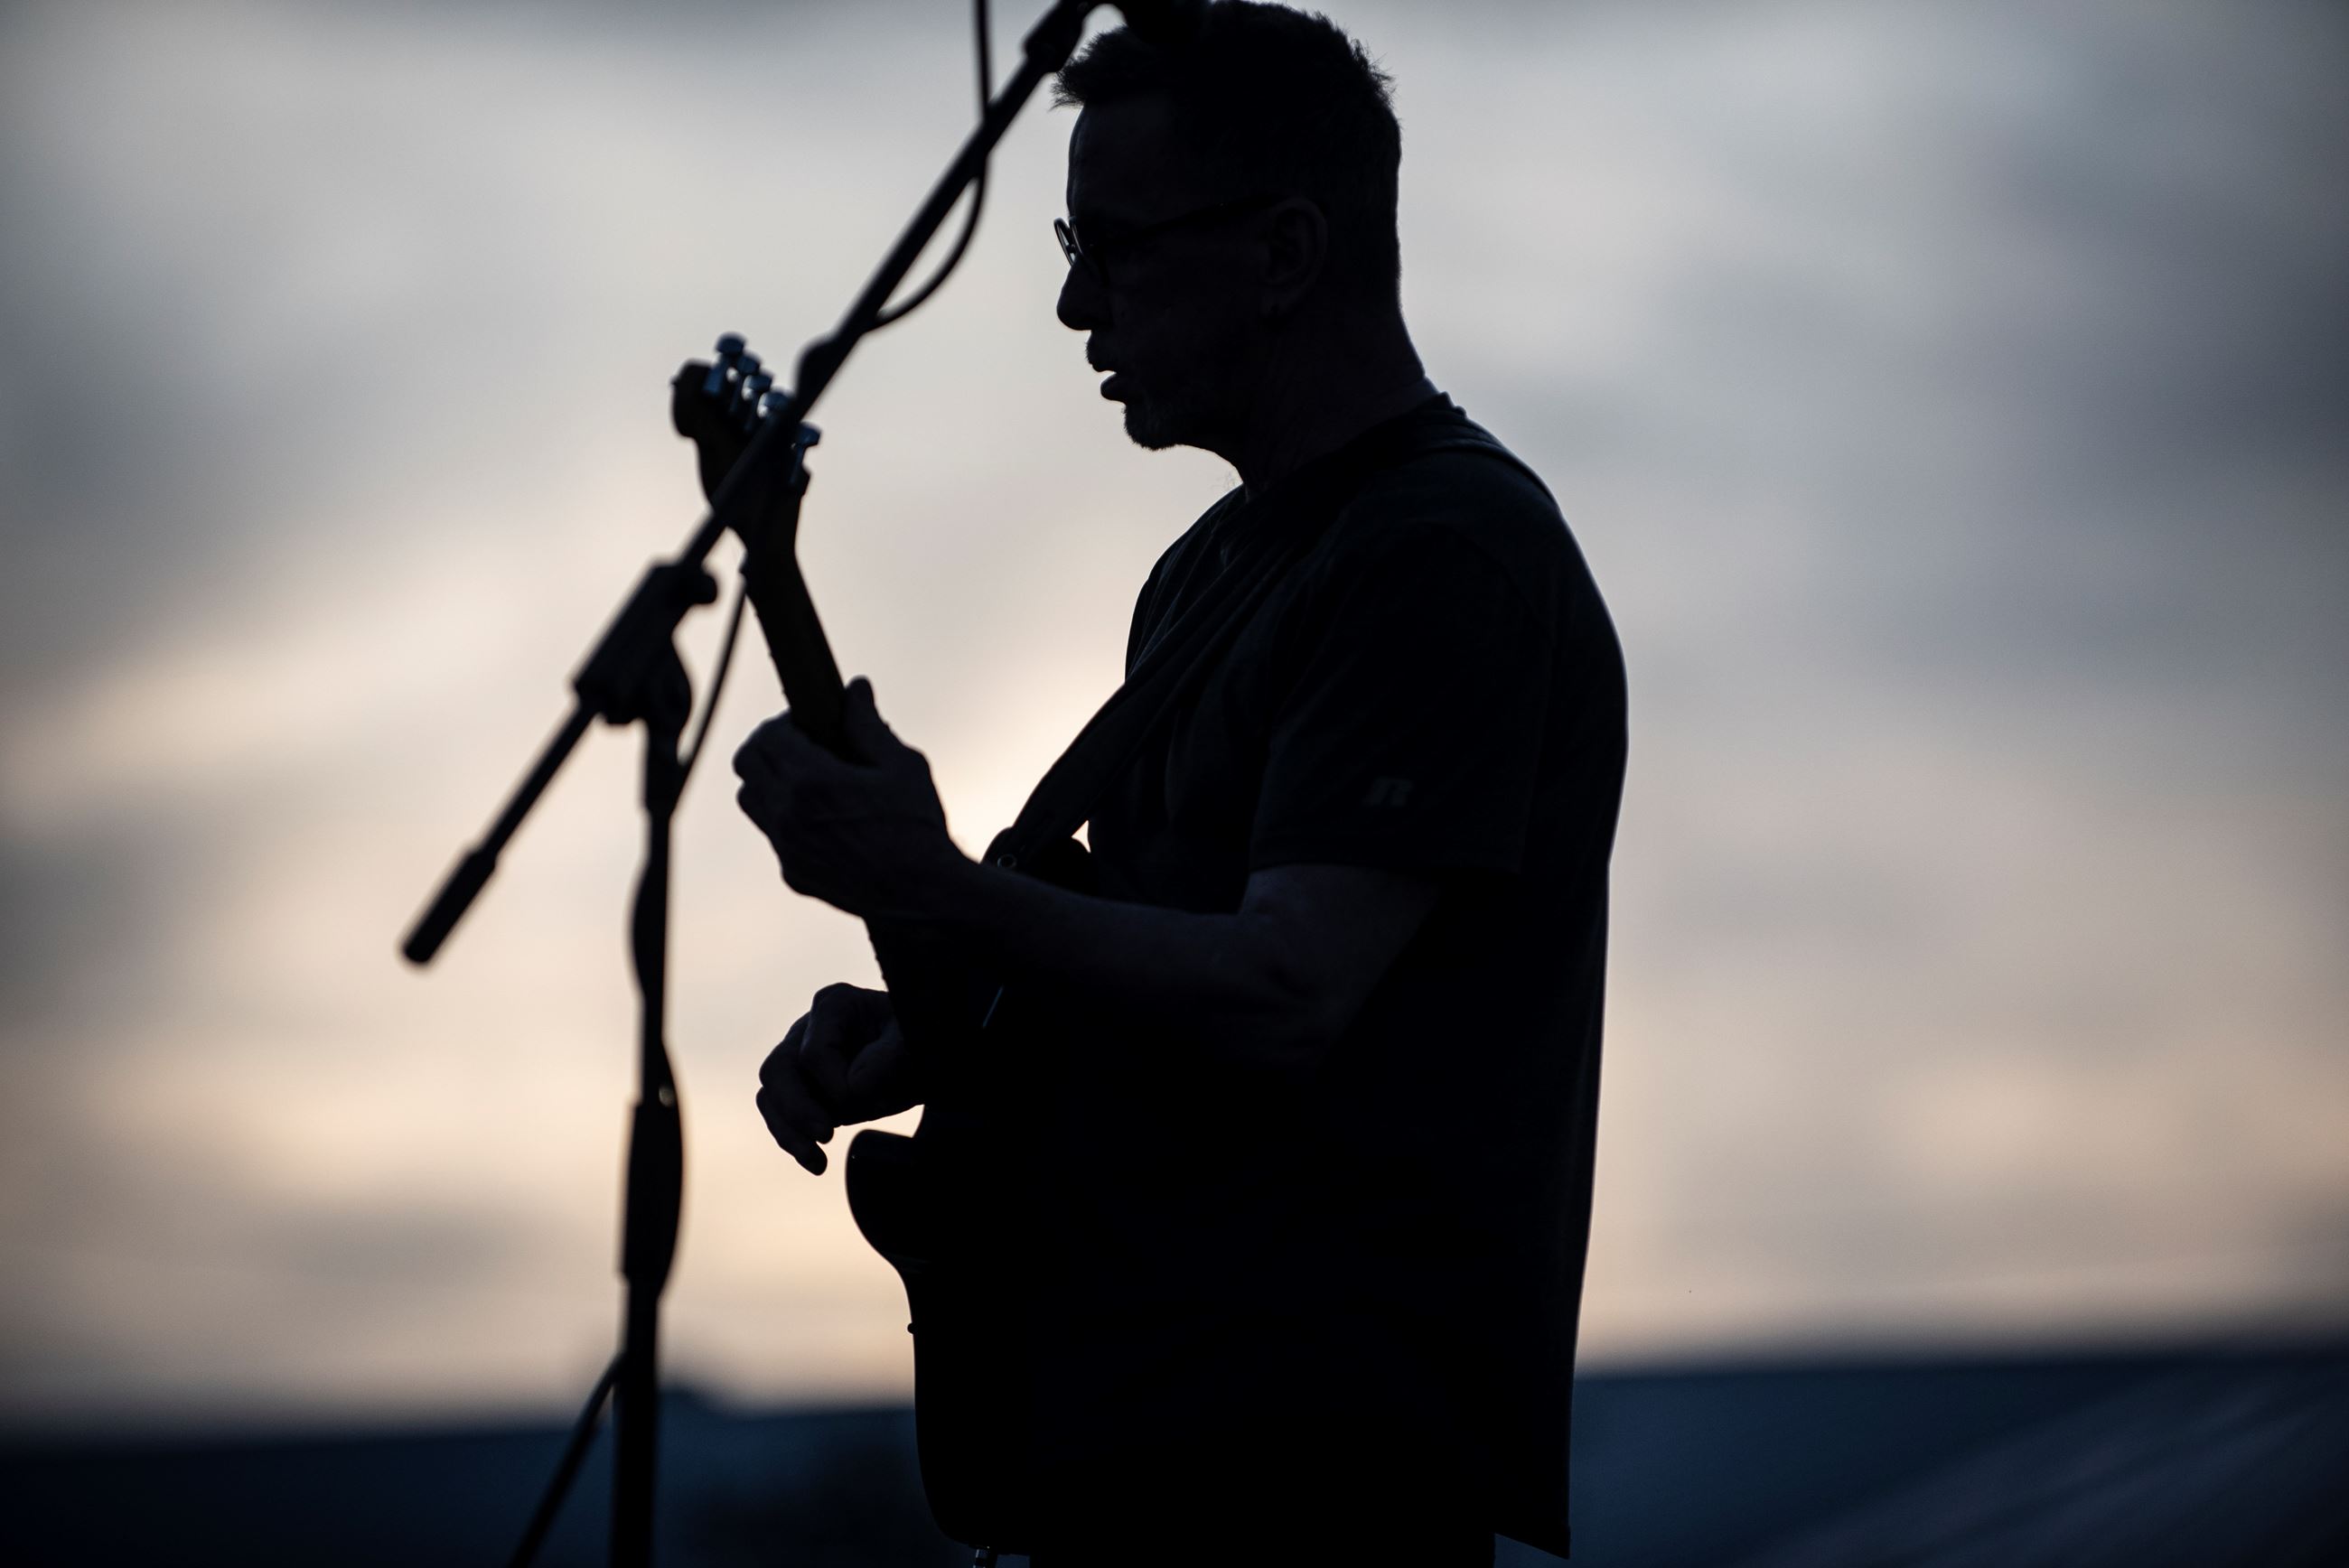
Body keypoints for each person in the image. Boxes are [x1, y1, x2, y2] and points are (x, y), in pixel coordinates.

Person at [733, 5, 1625, 1563]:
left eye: (1116, 245)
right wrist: (918, 1031)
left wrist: (938, 887)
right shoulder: (1208, 573)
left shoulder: (1441, 554)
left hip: (1311, 1470)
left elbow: (1289, 989)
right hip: (1152, 1433)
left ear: (1284, 254)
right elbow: (1154, 988)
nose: (1078, 301)